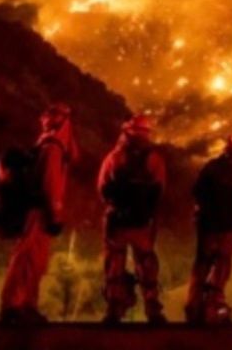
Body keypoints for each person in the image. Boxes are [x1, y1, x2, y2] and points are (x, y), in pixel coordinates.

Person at [0, 102, 78, 324]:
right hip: (39, 213)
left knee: (34, 261)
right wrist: (55, 214)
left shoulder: (45, 145)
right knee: (27, 259)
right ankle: (14, 306)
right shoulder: (52, 148)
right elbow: (50, 184)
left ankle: (24, 305)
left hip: (36, 211)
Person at [97, 113, 167, 324]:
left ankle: (114, 310)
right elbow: (159, 189)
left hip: (117, 221)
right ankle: (152, 309)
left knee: (114, 265)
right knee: (146, 265)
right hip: (142, 222)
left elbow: (102, 187)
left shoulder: (114, 156)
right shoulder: (154, 158)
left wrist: (115, 207)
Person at [185, 130, 232, 324]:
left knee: (202, 266)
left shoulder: (212, 167)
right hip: (228, 229)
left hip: (209, 227)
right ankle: (213, 306)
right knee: (222, 267)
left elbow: (197, 192)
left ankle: (193, 309)